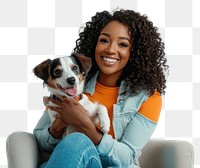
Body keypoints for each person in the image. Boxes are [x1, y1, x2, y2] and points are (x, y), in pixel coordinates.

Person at [34, 9, 168, 168]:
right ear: (94, 43)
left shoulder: (148, 97)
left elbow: (127, 158)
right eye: (104, 40)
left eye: (123, 44)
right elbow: (41, 141)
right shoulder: (71, 87)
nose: (111, 49)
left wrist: (84, 123)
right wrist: (59, 124)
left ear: (136, 51)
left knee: (76, 140)